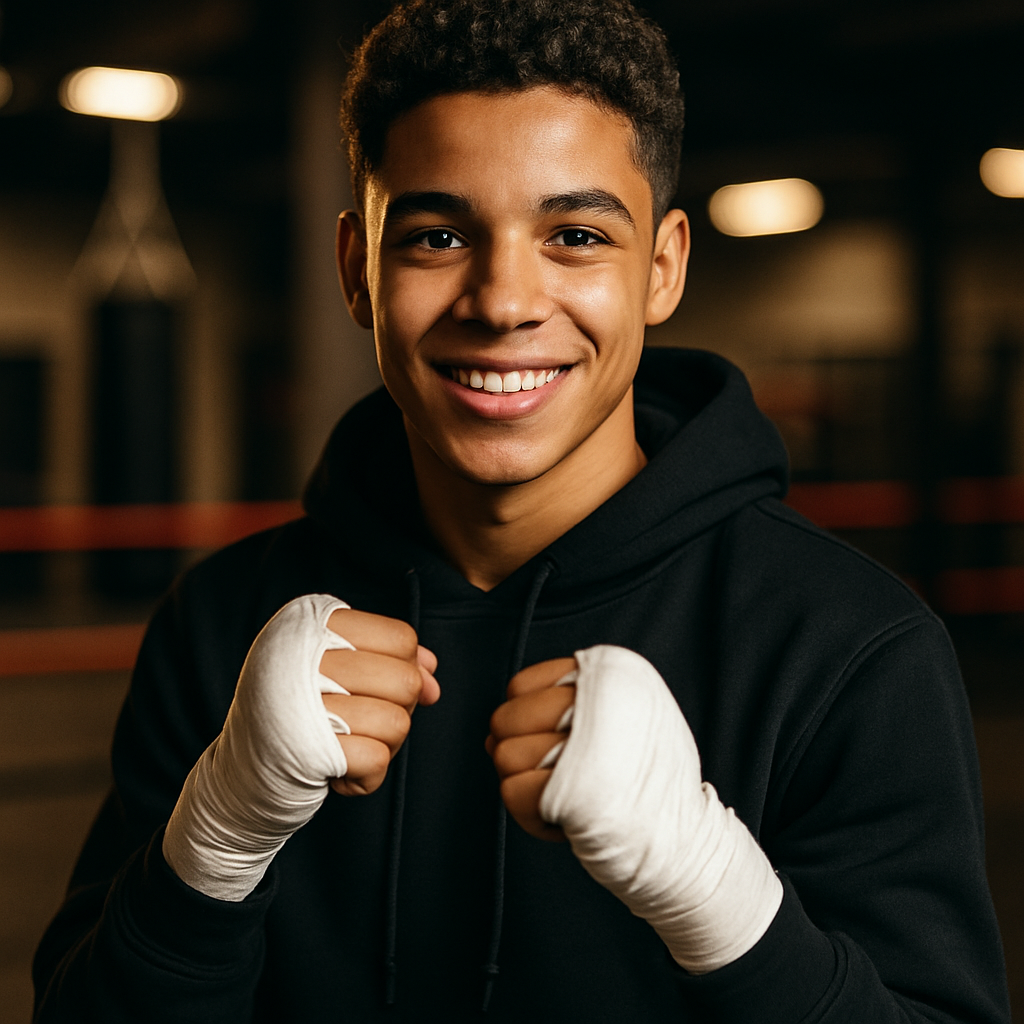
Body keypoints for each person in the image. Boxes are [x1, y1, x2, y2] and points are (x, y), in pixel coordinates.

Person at [34, 0, 1010, 1020]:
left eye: (576, 235)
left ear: (662, 268)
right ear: (354, 269)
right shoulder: (221, 625)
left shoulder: (848, 644)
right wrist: (215, 843)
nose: (502, 301)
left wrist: (725, 903)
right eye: (438, 234)